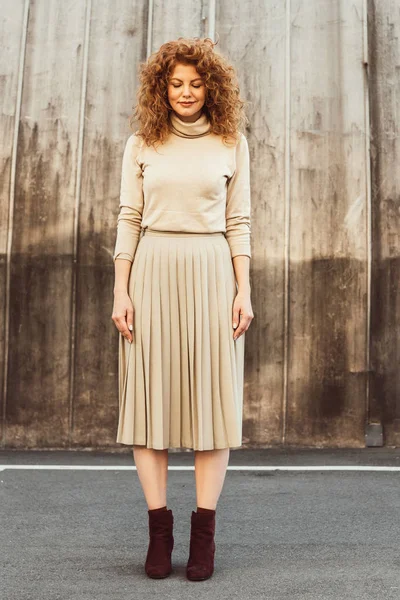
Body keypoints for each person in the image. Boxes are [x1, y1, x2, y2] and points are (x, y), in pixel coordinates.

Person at [111, 36, 254, 581]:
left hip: (212, 273)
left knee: (211, 410)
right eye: (176, 84)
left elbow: (238, 222)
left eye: (195, 83)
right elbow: (129, 216)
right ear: (161, 88)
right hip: (151, 272)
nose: (186, 93)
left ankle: (204, 538)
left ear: (210, 86)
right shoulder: (141, 143)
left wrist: (243, 290)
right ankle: (158, 534)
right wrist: (121, 290)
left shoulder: (230, 142)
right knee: (151, 410)